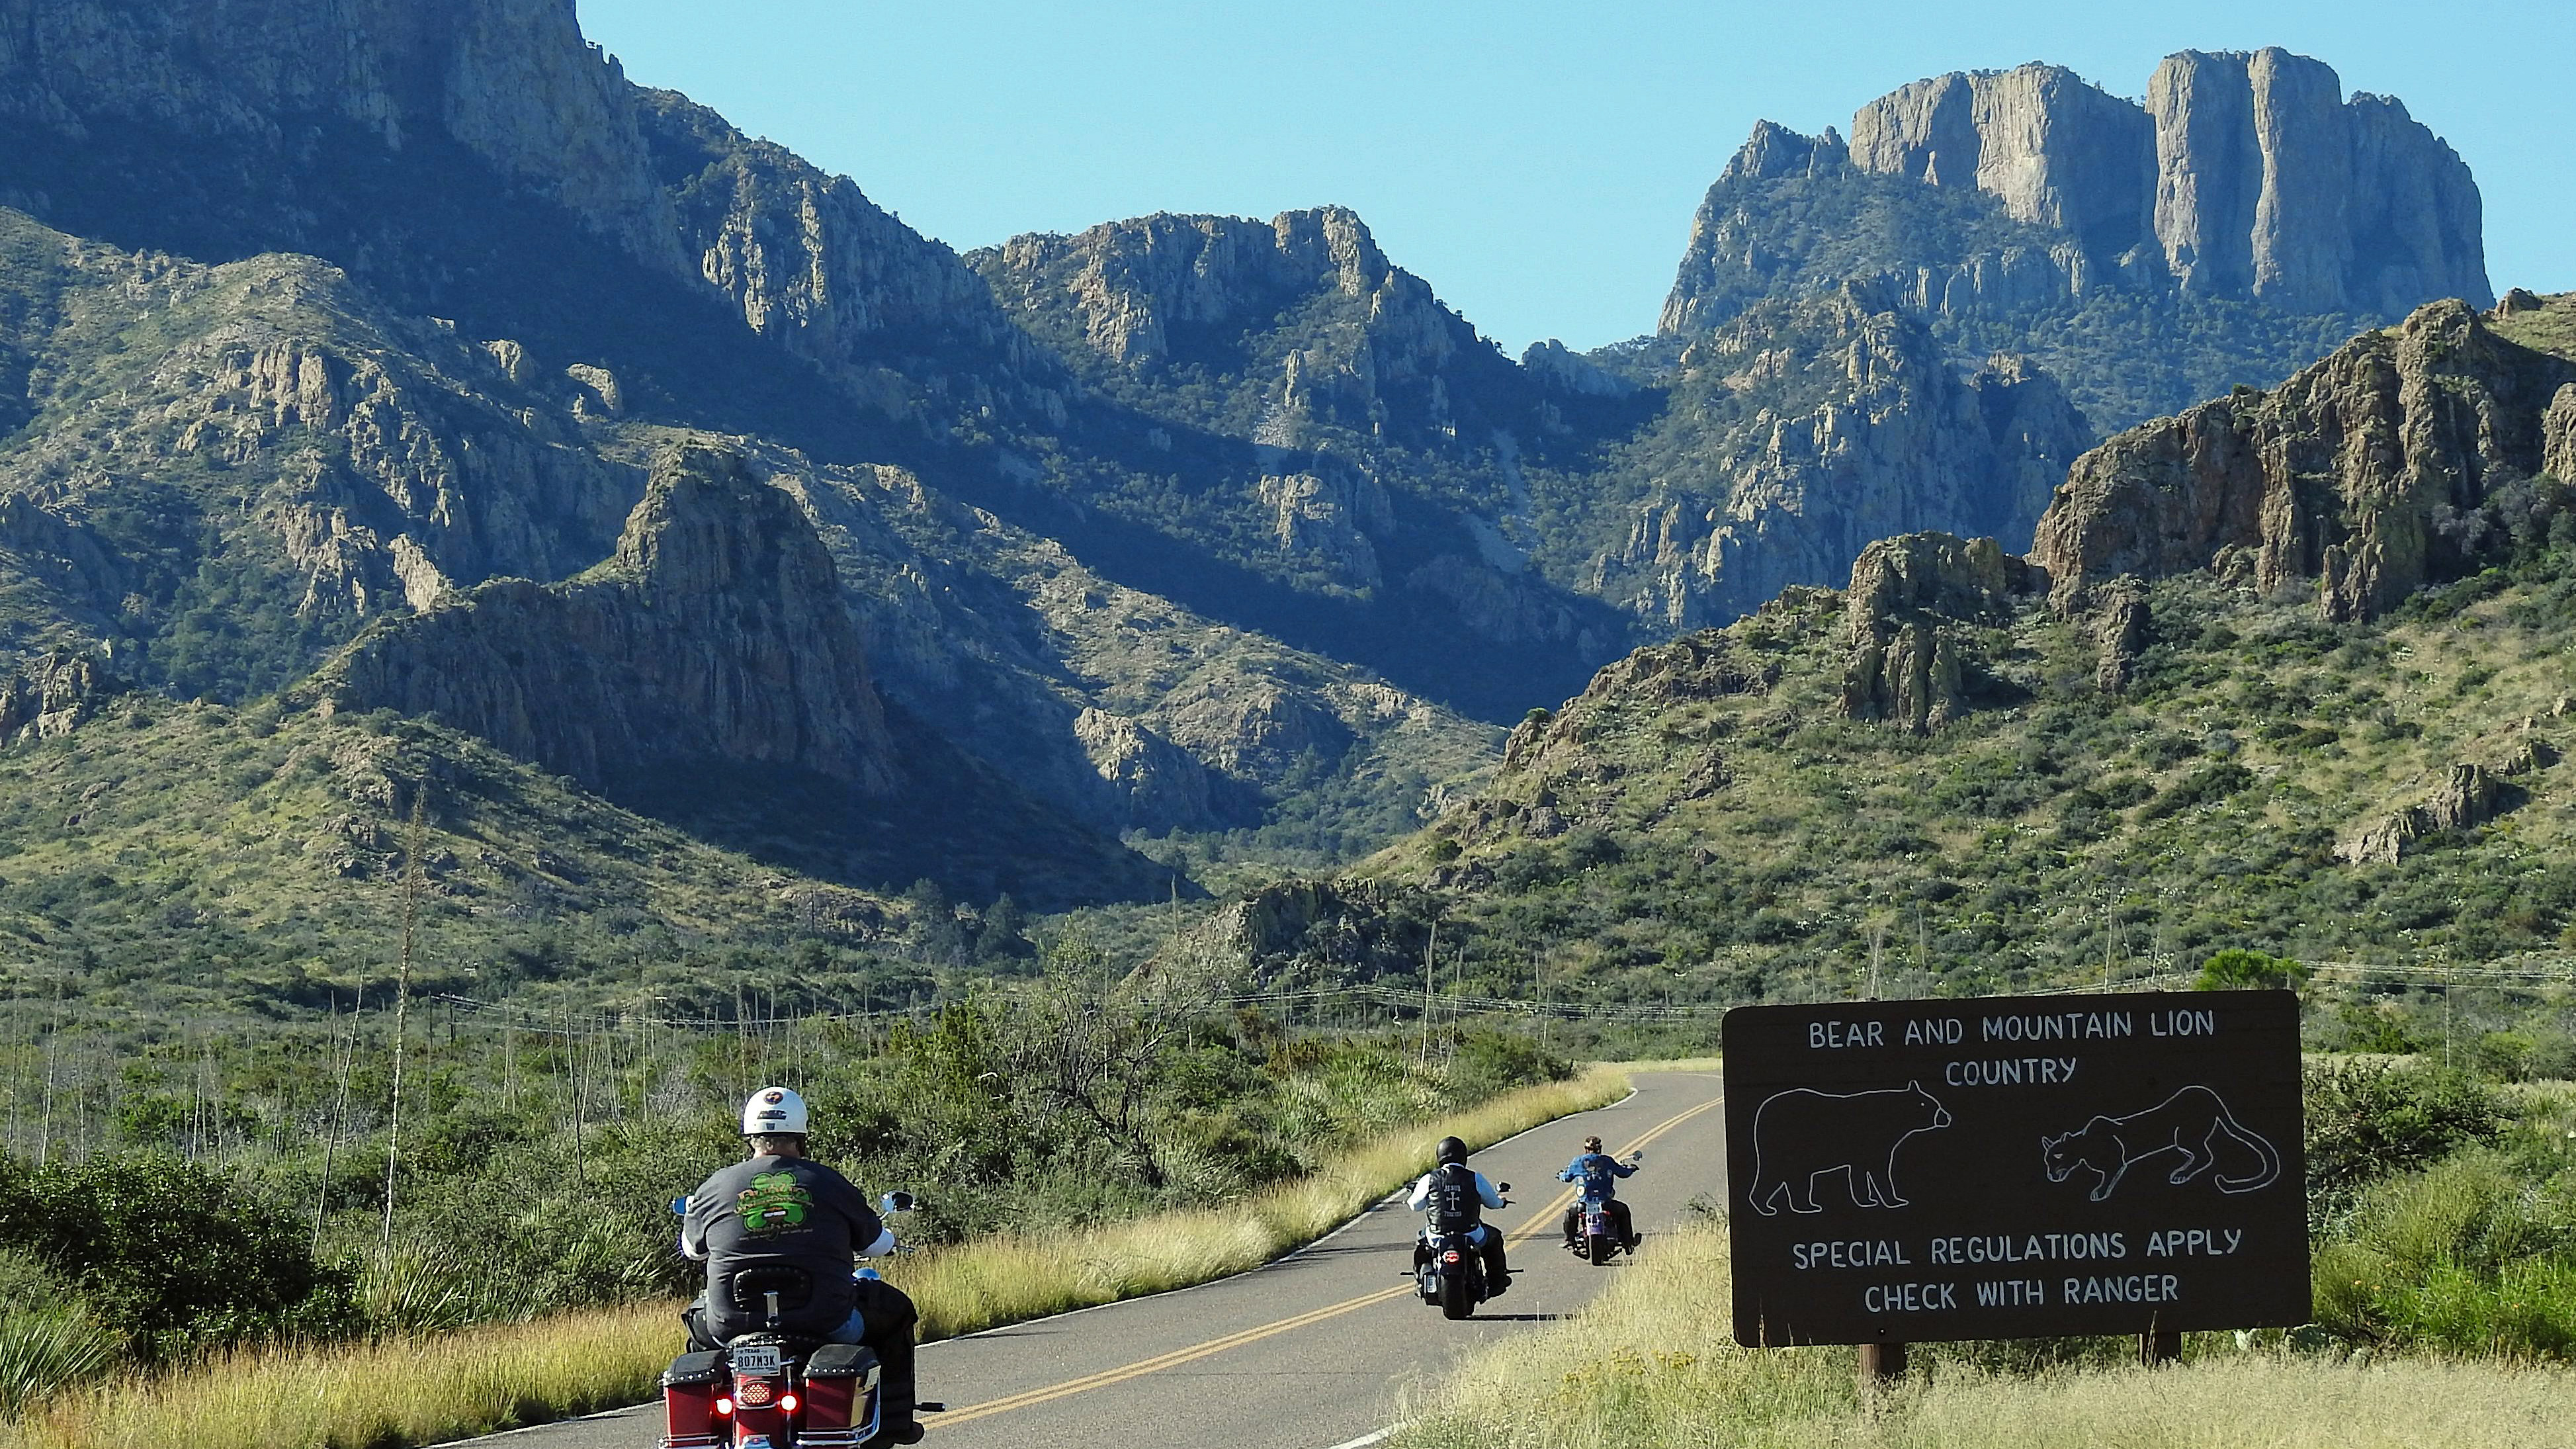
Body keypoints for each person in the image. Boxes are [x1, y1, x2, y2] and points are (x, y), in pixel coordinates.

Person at [680, 1086, 924, 1446]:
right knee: (897, 1310)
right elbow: (876, 1243)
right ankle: (895, 1421)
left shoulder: (716, 1186)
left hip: (731, 1324)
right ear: (801, 1133)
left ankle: (708, 1417)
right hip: (824, 1320)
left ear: (750, 1135)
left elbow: (692, 1250)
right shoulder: (827, 1182)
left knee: (697, 1323)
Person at [1406, 1135, 1510, 1295]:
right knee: (1494, 1238)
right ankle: (1497, 1280)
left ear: (1440, 1156)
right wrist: (1501, 1202)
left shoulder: (1429, 1179)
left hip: (1437, 1235)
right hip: (1472, 1233)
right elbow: (1493, 1203)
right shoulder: (1474, 1177)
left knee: (1422, 1243)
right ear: (1463, 1156)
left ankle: (1420, 1283)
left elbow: (1415, 1206)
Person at [1558, 1134, 1639, 1251]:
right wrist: (1631, 1169)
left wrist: (1560, 1175)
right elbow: (1623, 1173)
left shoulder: (1578, 1162)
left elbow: (1566, 1177)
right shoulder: (1607, 1161)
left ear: (1586, 1149)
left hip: (1584, 1203)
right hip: (1606, 1202)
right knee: (1623, 1210)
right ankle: (1628, 1243)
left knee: (1571, 1211)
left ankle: (1569, 1240)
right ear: (1600, 1149)